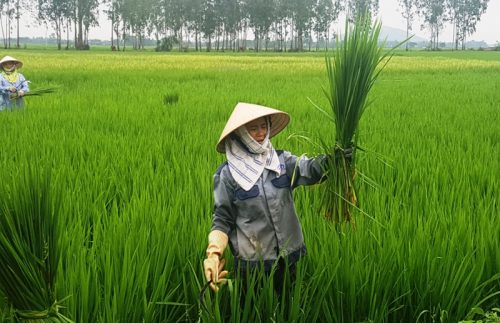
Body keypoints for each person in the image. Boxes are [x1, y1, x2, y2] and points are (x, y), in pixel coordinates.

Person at [203, 102, 352, 298]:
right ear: (241, 133)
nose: (260, 133)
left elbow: (309, 169)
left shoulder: (281, 162)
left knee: (289, 307)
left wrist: (335, 160)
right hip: (253, 265)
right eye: (253, 128)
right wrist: (213, 254)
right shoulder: (228, 175)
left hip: (288, 258)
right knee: (256, 311)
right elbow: (222, 219)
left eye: (263, 126)